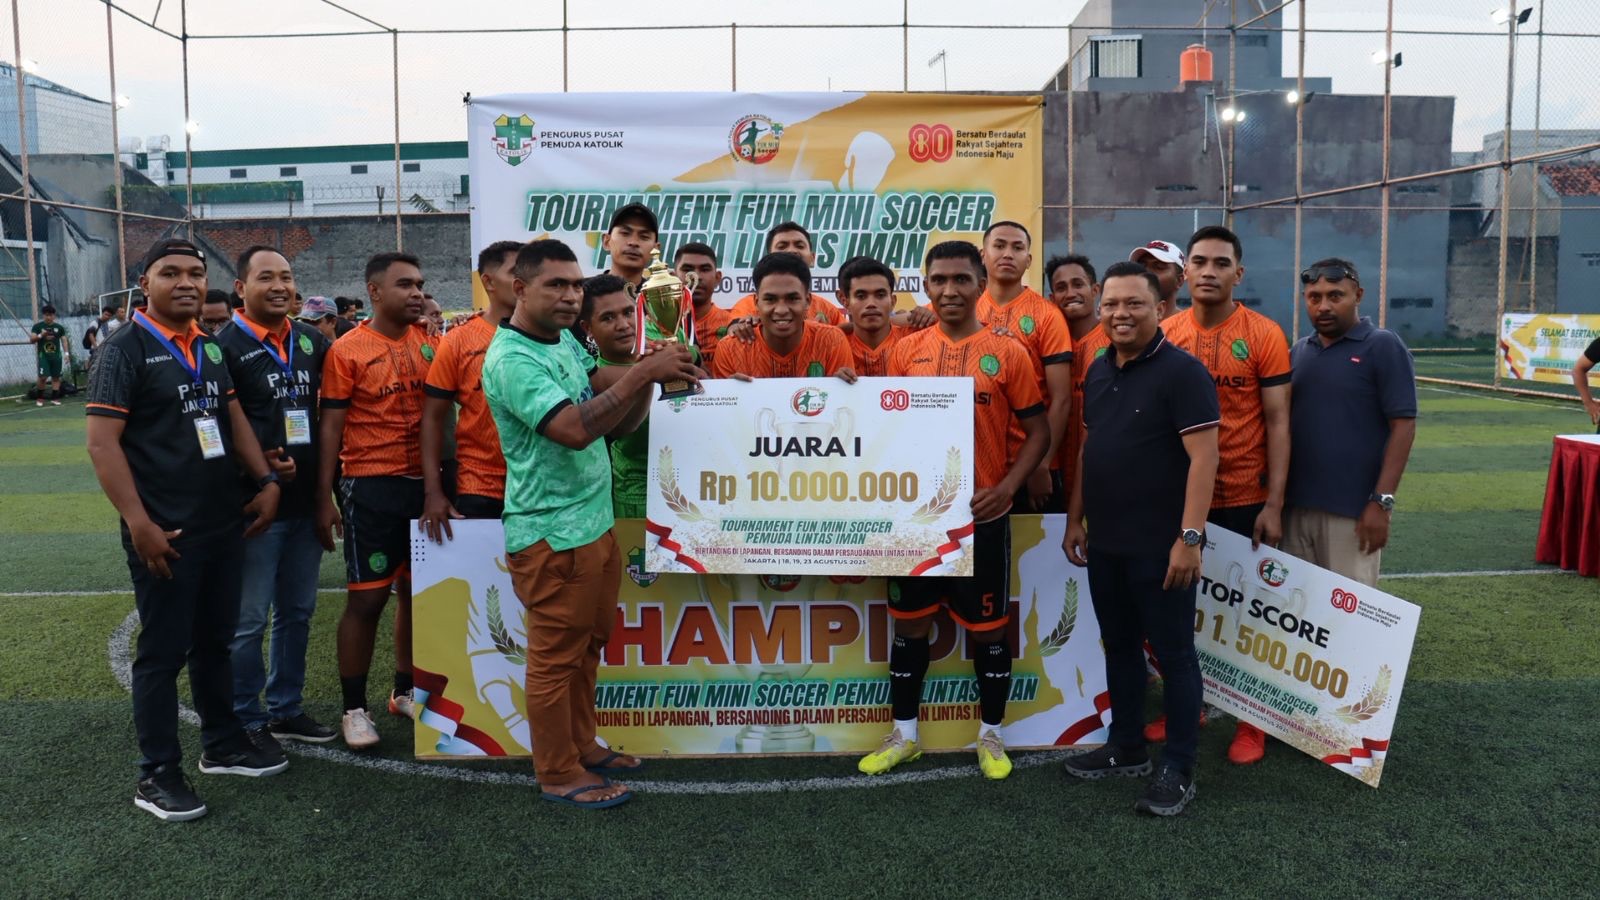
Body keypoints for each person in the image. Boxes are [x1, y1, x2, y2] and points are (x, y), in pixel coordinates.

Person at [480, 238, 702, 809]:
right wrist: (642, 373)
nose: (569, 295)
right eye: (556, 285)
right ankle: (556, 771)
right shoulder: (512, 358)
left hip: (593, 526)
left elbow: (607, 401)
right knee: (554, 661)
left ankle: (582, 745)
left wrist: (651, 375)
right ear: (519, 289)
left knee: (585, 650)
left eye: (575, 285)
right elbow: (575, 428)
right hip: (550, 534)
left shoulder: (560, 344)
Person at [85, 238, 289, 822]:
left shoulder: (209, 347)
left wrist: (264, 481)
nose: (186, 283)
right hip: (164, 530)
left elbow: (231, 417)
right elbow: (103, 444)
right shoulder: (123, 349)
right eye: (169, 272)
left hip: (221, 521)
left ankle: (222, 745)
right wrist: (138, 522)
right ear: (143, 283)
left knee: (215, 641)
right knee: (162, 652)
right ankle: (156, 775)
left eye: (196, 274)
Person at [858, 240, 1050, 781]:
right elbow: (882, 428)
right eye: (938, 279)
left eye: (961, 279)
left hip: (982, 517)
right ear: (925, 284)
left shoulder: (1008, 352)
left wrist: (1008, 487)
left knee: (988, 631)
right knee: (910, 627)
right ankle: (905, 735)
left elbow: (1040, 430)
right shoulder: (903, 351)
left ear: (980, 282)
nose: (949, 290)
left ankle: (991, 735)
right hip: (917, 522)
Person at [1061, 260, 1219, 817]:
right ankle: (1127, 745)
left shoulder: (1182, 372)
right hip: (1107, 543)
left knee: (1174, 655)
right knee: (1121, 647)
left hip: (1162, 545)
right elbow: (1088, 449)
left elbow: (1205, 459)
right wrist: (1074, 518)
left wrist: (1189, 538)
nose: (1120, 314)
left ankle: (1178, 766)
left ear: (1159, 309)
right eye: (1112, 304)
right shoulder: (1100, 369)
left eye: (1134, 304)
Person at [1159, 224, 1292, 766]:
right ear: (1183, 272)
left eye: (1221, 263)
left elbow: (1280, 422)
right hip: (1180, 497)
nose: (1209, 272)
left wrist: (1275, 503)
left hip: (1243, 495)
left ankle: (1250, 723)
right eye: (1200, 262)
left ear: (1239, 273)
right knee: (1178, 614)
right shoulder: (1164, 332)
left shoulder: (1263, 333)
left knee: (1246, 616)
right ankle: (1185, 709)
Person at [215, 245, 336, 749]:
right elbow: (215, 428)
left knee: (298, 612)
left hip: (306, 503)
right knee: (247, 623)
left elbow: (329, 420)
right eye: (267, 278)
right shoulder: (220, 347)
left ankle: (286, 708)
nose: (280, 286)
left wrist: (327, 496)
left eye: (286, 277)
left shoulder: (311, 341)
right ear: (241, 288)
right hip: (254, 508)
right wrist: (259, 466)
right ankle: (247, 717)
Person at [316, 252, 436, 750]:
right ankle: (353, 709)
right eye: (404, 284)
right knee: (366, 599)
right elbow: (331, 427)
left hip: (426, 486)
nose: (416, 292)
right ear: (374, 291)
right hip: (371, 486)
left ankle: (403, 690)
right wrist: (324, 496)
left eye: (420, 284)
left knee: (416, 595)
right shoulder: (347, 350)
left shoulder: (431, 343)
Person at [1285, 259, 1417, 587]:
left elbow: (1404, 426)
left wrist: (1381, 502)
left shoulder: (1382, 345)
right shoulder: (1299, 351)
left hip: (1352, 514)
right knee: (1297, 615)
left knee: (1347, 619)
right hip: (1294, 510)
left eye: (1335, 295)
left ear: (1358, 295)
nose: (1324, 306)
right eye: (1314, 297)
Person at [419, 240, 521, 539]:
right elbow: (433, 419)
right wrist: (433, 492)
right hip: (481, 486)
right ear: (488, 281)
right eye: (516, 271)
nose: (525, 279)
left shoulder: (555, 335)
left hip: (542, 487)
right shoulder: (459, 341)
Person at [977, 221, 1073, 513]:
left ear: (1028, 260)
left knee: (1030, 555)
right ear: (983, 255)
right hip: (977, 466)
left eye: (1017, 248)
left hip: (1031, 466)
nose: (1008, 253)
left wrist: (1041, 463)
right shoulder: (965, 305)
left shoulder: (1047, 315)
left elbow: (1061, 399)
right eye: (999, 245)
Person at [710, 253, 856, 381]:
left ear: (808, 301)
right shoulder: (729, 349)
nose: (781, 310)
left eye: (792, 298)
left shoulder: (832, 341)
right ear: (756, 302)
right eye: (770, 299)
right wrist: (730, 396)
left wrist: (839, 391)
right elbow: (725, 411)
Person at [579, 275, 653, 518]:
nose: (623, 325)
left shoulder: (665, 352)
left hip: (695, 488)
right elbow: (623, 430)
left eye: (628, 312)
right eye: (608, 318)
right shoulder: (592, 381)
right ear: (587, 328)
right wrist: (648, 374)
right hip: (635, 498)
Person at [1047, 254, 1106, 493]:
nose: (1070, 293)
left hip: (1103, 471)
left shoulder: (1117, 341)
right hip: (1052, 474)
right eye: (1061, 288)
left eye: (1078, 284)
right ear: (1052, 299)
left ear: (1095, 290)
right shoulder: (1045, 344)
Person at [728, 223, 847, 326]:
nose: (792, 251)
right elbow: (734, 332)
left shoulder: (827, 309)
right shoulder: (746, 307)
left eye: (799, 246)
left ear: (812, 258)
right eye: (782, 246)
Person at [837, 255, 907, 376]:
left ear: (893, 301)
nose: (871, 304)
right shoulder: (833, 349)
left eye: (880, 295)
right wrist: (833, 384)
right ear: (845, 302)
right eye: (861, 296)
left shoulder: (913, 343)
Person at [674, 241, 732, 367]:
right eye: (688, 269)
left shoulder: (732, 326)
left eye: (705, 269)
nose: (696, 277)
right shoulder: (656, 327)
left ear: (717, 278)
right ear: (673, 277)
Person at [600, 202, 660, 289]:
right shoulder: (582, 292)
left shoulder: (660, 299)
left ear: (655, 249)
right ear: (606, 241)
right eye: (625, 233)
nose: (634, 242)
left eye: (644, 237)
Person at [1129, 240, 1187, 320]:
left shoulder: (1191, 328)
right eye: (1141, 266)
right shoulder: (1119, 323)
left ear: (1179, 280)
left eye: (1159, 267)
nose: (1146, 272)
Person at [30, 304, 68, 406]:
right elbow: (32, 340)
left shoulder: (59, 328)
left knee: (56, 377)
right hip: (44, 356)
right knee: (43, 377)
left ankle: (55, 398)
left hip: (56, 357)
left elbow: (64, 340)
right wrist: (41, 335)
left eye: (50, 315)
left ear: (54, 316)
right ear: (43, 315)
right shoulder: (37, 327)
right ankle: (40, 398)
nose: (48, 317)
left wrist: (66, 353)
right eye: (46, 315)